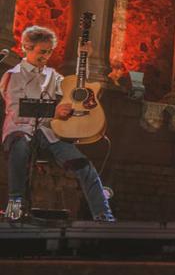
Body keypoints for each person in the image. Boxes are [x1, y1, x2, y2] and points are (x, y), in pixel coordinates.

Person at [1, 26, 114, 222]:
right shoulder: (14, 75)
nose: (46, 56)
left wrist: (82, 59)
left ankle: (104, 215)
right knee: (19, 149)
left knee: (84, 165)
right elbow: (17, 110)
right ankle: (15, 208)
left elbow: (76, 89)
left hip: (49, 134)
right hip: (21, 131)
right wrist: (53, 112)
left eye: (50, 51)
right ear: (27, 47)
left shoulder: (53, 76)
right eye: (42, 51)